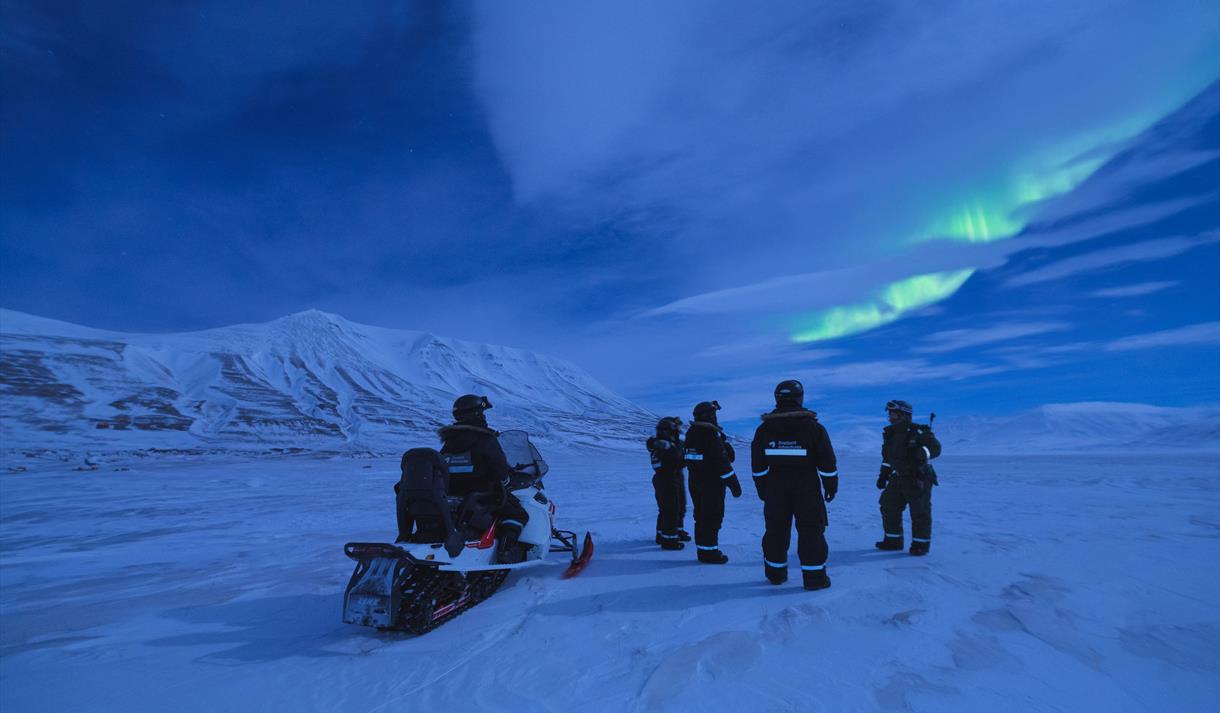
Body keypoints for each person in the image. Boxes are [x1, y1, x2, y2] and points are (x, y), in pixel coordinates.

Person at [750, 380, 838, 591]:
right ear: (800, 398)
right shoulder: (814, 428)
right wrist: (830, 485)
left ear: (777, 399)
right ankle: (815, 579)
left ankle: (775, 574)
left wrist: (763, 489)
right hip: (807, 489)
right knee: (811, 530)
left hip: (775, 489)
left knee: (775, 530)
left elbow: (758, 466)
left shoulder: (764, 430)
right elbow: (827, 463)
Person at [438, 394, 530, 563]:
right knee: (518, 514)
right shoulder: (485, 438)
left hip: (451, 494)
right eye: (482, 413)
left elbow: (444, 465)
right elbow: (499, 468)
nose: (484, 417)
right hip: (482, 494)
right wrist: (507, 479)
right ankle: (506, 550)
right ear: (476, 415)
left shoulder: (450, 441)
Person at [875, 399, 942, 556]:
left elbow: (936, 448)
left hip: (918, 477)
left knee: (920, 511)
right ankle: (893, 541)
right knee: (888, 505)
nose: (890, 417)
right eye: (889, 414)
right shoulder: (890, 434)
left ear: (903, 415)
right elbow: (888, 458)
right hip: (898, 477)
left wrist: (922, 453)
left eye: (893, 414)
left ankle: (920, 545)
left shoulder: (918, 431)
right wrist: (883, 475)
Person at [684, 400, 742, 564]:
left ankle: (703, 550)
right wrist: (734, 485)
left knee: (700, 516)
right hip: (711, 484)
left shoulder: (691, 434)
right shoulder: (709, 436)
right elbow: (722, 464)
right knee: (712, 517)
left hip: (695, 482)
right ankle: (709, 553)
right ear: (710, 416)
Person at [647, 417, 686, 550]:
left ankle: (671, 532)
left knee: (677, 506)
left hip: (672, 477)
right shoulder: (663, 445)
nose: (678, 431)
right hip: (667, 478)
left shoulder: (667, 443)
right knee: (670, 510)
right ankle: (669, 540)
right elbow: (678, 460)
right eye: (676, 429)